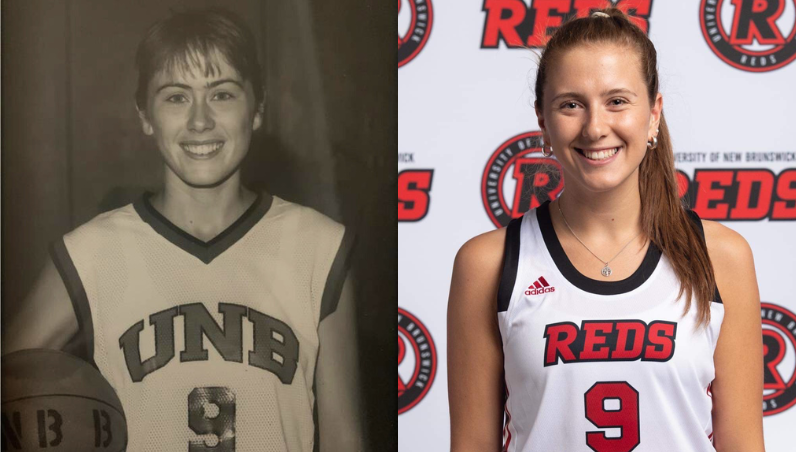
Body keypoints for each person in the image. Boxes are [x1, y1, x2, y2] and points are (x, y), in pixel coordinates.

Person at [3, 8, 362, 452]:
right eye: (175, 97)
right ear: (145, 116)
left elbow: (345, 439)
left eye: (222, 94)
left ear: (257, 108)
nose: (199, 121)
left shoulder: (321, 247)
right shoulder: (89, 254)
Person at [448, 8, 764, 452]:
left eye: (617, 101)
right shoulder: (488, 264)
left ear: (653, 113)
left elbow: (744, 444)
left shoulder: (721, 256)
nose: (596, 127)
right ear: (542, 118)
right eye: (571, 104)